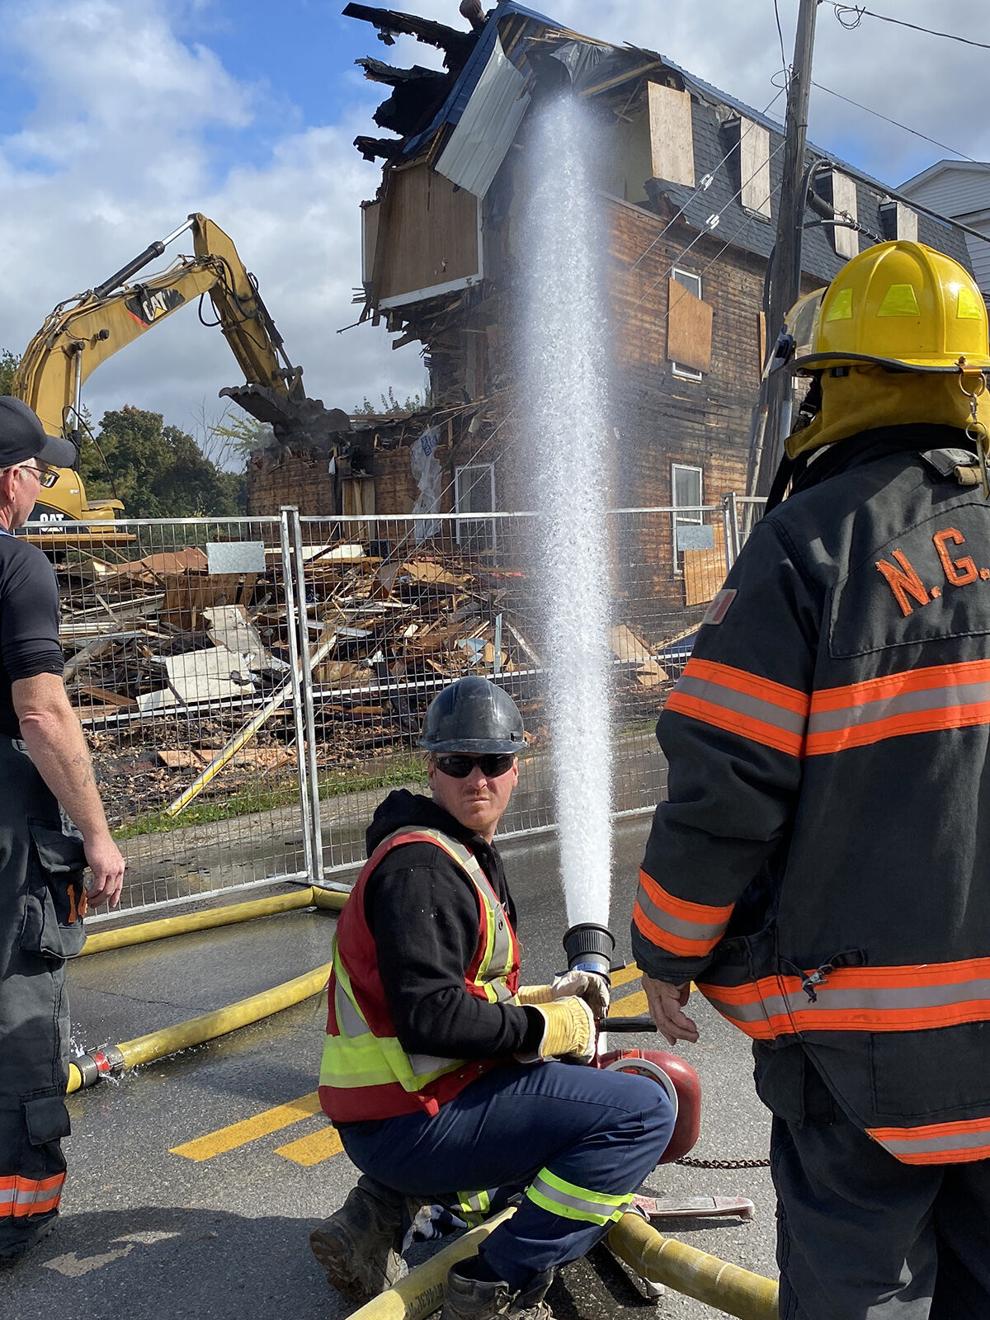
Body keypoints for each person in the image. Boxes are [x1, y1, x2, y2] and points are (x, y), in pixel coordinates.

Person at [632, 240, 990, 1320]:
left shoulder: (808, 548)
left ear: (833, 383)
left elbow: (722, 789)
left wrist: (666, 950)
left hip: (864, 1059)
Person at [312, 675, 674, 1320]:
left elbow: (460, 990)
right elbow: (431, 1018)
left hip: (405, 1108)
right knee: (643, 1111)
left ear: (516, 767)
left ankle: (384, 1212)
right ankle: (497, 1275)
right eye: (458, 763)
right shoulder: (421, 870)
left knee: (567, 1091)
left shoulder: (452, 851)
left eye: (494, 761)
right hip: (411, 1120)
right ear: (432, 767)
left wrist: (547, 998)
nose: (477, 779)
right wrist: (548, 1027)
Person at [0, 397, 125, 1269]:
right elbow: (43, 715)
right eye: (40, 473)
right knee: (17, 1001)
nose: (42, 487)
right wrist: (98, 834)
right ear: (11, 480)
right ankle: (14, 1214)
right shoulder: (18, 568)